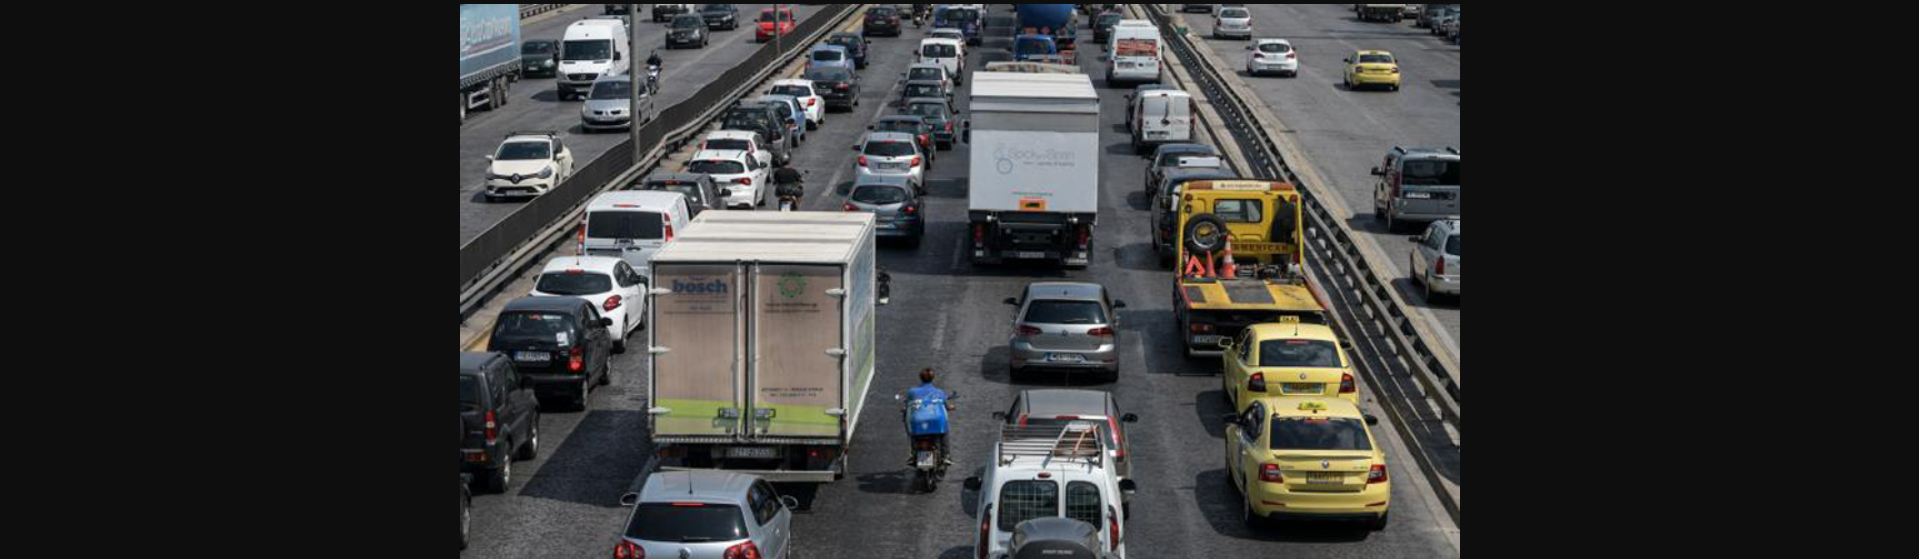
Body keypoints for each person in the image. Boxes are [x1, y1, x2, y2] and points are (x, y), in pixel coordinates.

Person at [905, 368, 953, 467]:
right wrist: (951, 407)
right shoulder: (939, 392)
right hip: (936, 421)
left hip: (918, 421)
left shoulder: (912, 392)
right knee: (945, 432)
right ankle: (946, 455)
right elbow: (947, 405)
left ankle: (913, 453)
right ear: (932, 378)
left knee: (912, 433)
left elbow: (907, 404)